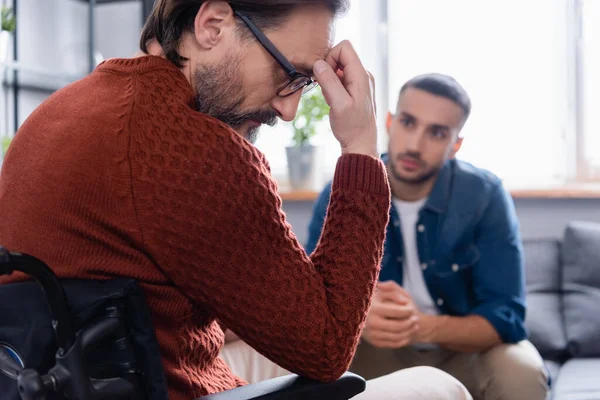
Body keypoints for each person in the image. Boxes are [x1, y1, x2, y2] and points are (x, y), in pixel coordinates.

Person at [0, 1, 471, 399]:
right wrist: (361, 148)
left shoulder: (65, 107)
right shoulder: (191, 147)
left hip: (70, 375)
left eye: (304, 85)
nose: (288, 110)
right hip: (172, 387)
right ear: (212, 25)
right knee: (435, 386)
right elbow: (328, 349)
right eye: (290, 73)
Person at [305, 73, 550, 400]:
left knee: (522, 370)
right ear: (390, 122)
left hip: (461, 352)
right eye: (407, 122)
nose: (414, 145)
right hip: (373, 351)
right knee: (308, 365)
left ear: (455, 145)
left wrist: (420, 326)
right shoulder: (343, 190)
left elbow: (508, 318)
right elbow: (311, 301)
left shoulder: (484, 196)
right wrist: (358, 316)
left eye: (436, 133)